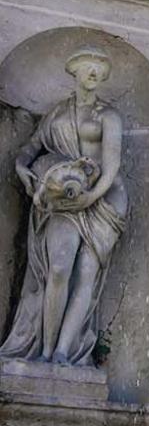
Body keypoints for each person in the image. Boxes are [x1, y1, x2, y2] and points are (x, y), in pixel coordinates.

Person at [0, 45, 127, 365]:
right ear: (75, 72)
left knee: (86, 272)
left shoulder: (108, 116)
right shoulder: (57, 114)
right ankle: (44, 349)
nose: (94, 72)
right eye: (88, 66)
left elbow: (111, 166)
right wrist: (21, 167)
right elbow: (30, 149)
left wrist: (91, 195)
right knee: (59, 266)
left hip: (105, 199)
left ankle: (62, 352)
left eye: (100, 67)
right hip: (63, 198)